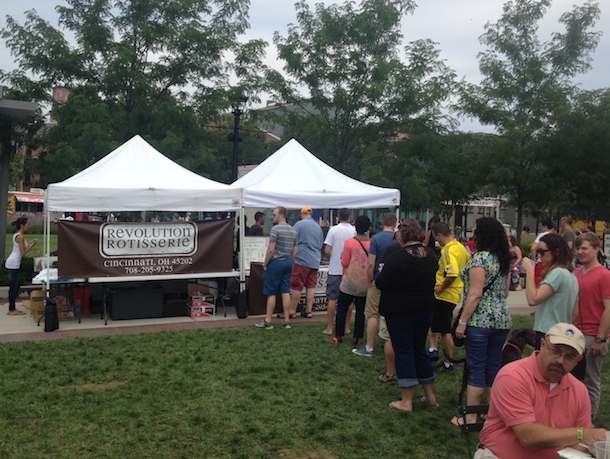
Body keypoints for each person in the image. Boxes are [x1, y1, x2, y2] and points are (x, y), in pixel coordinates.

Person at [476, 323, 607, 459]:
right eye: (556, 351)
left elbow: (580, 444)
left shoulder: (579, 390)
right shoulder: (513, 376)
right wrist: (582, 434)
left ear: (578, 360)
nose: (560, 360)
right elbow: (528, 436)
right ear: (542, 345)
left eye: (570, 357)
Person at [376, 219, 439, 412]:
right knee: (419, 349)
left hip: (400, 311)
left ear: (403, 235)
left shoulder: (397, 256)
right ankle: (430, 396)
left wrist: (382, 272)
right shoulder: (431, 254)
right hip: (424, 309)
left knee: (403, 351)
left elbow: (381, 284)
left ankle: (406, 400)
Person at [453, 217, 512, 422]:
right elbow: (505, 293)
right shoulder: (503, 259)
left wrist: (462, 322)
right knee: (492, 367)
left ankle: (470, 418)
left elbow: (475, 294)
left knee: (476, 368)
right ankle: (493, 414)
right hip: (502, 320)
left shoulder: (480, 259)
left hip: (480, 321)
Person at [572, 232, 610, 421]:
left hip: (593, 335)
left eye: (584, 248)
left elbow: (608, 309)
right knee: (573, 380)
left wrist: (600, 338)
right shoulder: (576, 273)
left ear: (596, 249)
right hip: (575, 333)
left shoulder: (604, 275)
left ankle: (588, 422)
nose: (580, 252)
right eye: (578, 248)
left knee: (590, 381)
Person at [522, 233, 578, 348]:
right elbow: (575, 313)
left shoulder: (557, 273)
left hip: (547, 331)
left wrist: (530, 272)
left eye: (542, 252)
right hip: (562, 332)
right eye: (538, 252)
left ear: (556, 252)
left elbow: (533, 299)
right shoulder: (571, 275)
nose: (539, 256)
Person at [353, 212, 397, 357]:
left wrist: (369, 278)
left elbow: (371, 263)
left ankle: (369, 346)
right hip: (394, 281)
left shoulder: (376, 239)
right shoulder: (398, 240)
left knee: (372, 313)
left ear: (382, 223)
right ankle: (392, 342)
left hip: (378, 280)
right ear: (395, 223)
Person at [430, 222, 471, 372]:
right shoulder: (460, 247)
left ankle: (448, 362)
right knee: (442, 327)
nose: (436, 241)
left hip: (445, 295)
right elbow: (468, 264)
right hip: (455, 293)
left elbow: (452, 273)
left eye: (436, 237)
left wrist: (441, 286)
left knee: (445, 330)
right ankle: (444, 358)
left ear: (439, 235)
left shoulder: (447, 251)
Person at [255, 206, 297, 330]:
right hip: (288, 262)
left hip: (276, 263)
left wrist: (265, 263)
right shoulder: (293, 231)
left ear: (281, 215)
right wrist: (291, 261)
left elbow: (271, 249)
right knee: (285, 291)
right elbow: (295, 250)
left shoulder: (275, 229)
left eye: (274, 215)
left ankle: (268, 321)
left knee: (271, 292)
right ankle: (286, 320)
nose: (272, 217)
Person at [331, 215, 371, 345]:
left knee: (342, 308)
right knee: (360, 311)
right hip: (364, 283)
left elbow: (345, 262)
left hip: (349, 281)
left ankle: (338, 335)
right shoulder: (372, 243)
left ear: (356, 227)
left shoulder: (350, 242)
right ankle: (357, 337)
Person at [322, 208, 356, 335]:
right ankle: (347, 327)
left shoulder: (333, 230)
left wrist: (332, 258)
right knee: (349, 300)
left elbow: (327, 250)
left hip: (335, 268)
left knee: (332, 298)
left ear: (339, 217)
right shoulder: (354, 230)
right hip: (349, 270)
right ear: (349, 216)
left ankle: (330, 327)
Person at [288, 207, 324, 318]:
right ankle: (309, 310)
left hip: (302, 259)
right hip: (315, 260)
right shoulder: (318, 227)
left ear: (302, 214)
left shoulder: (299, 225)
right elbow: (321, 244)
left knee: (297, 286)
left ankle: (292, 311)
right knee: (311, 286)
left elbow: (291, 239)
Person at [5, 217, 38, 315]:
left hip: (13, 262)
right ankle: (12, 309)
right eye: (27, 224)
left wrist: (30, 245)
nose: (29, 226)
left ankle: (12, 307)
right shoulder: (20, 236)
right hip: (13, 264)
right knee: (14, 287)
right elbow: (23, 252)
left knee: (15, 286)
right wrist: (31, 246)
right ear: (22, 225)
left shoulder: (17, 235)